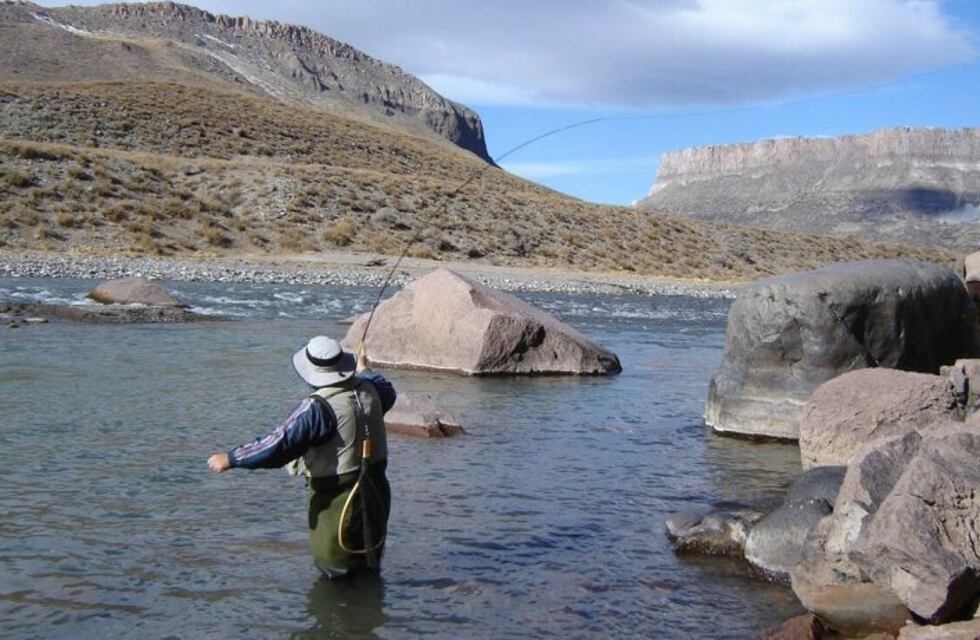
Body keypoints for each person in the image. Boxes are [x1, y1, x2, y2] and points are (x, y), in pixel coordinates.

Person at [207, 335, 396, 578]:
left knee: (335, 570)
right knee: (370, 561)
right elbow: (386, 389)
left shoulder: (316, 408)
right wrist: (364, 368)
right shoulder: (373, 390)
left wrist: (231, 458)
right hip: (376, 493)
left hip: (336, 501)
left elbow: (279, 444)